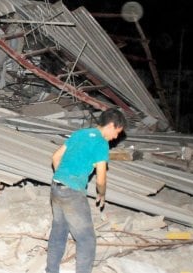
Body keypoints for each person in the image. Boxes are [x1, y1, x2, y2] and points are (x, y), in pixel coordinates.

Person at [46, 108, 126, 273]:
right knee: (86, 239)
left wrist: (63, 177)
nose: (116, 137)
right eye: (117, 132)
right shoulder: (101, 144)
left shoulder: (80, 133)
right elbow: (101, 178)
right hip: (72, 193)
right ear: (111, 125)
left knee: (59, 232)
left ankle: (51, 270)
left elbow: (55, 157)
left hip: (56, 186)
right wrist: (101, 193)